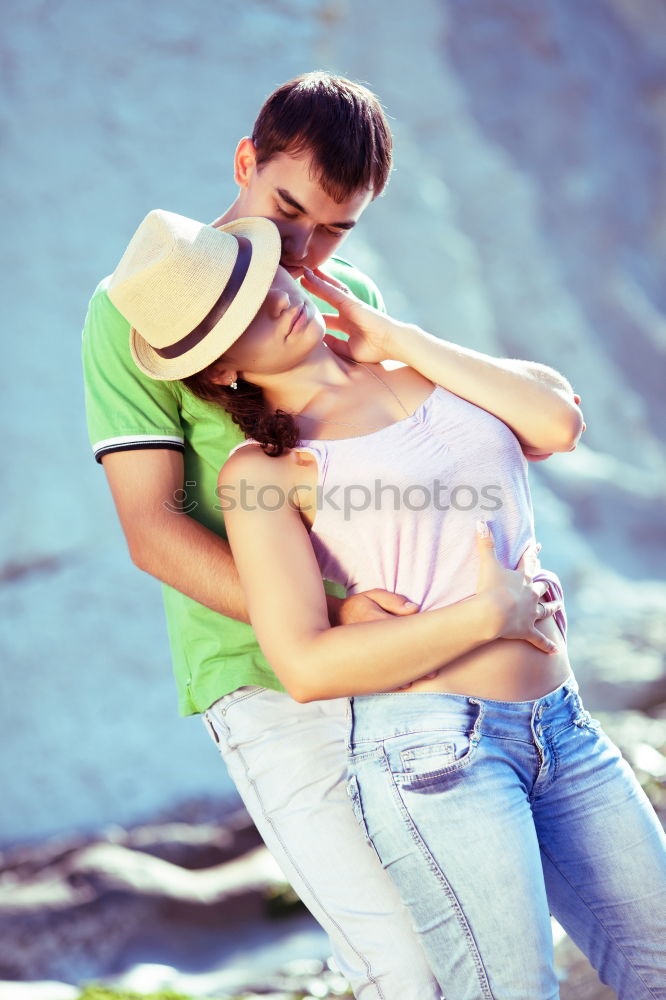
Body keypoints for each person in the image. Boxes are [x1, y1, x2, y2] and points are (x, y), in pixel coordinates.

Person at [108, 207, 666, 1000]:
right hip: (437, 758)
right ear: (223, 370)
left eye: (268, 282)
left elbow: (558, 419)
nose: (278, 302)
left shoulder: (422, 369)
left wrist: (397, 336)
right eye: (247, 315)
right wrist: (484, 618)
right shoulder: (264, 472)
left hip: (563, 729)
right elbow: (302, 663)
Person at [83, 73, 448, 1000]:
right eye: (288, 209)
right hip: (261, 680)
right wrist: (334, 617)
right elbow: (152, 530)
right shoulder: (139, 309)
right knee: (395, 959)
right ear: (245, 162)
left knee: (462, 932)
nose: (306, 249)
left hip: (404, 661)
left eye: (335, 227)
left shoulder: (346, 294)